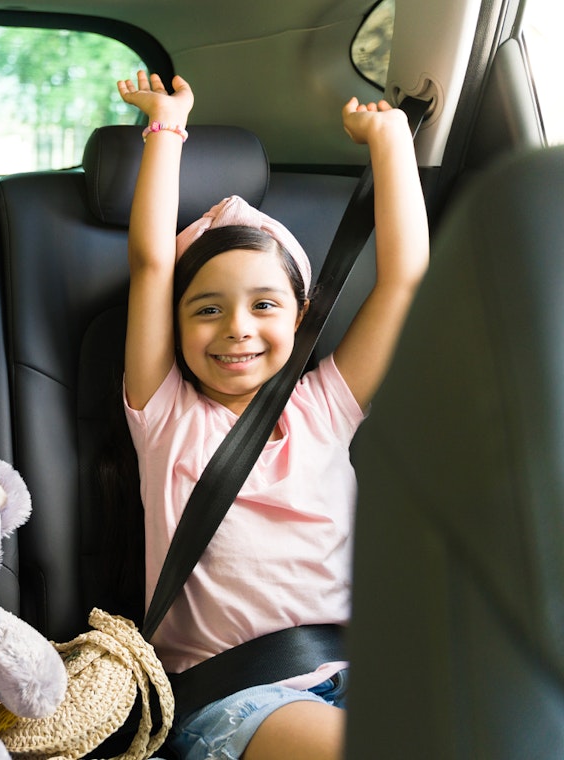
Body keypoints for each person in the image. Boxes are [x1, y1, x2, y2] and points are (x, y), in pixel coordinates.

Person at [116, 70, 428, 760]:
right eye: (207, 308)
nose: (237, 328)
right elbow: (148, 264)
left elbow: (405, 278)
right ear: (174, 324)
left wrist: (391, 139)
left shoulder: (324, 405)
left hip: (355, 669)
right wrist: (167, 128)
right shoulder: (165, 412)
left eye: (264, 305)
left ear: (302, 317)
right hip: (234, 696)